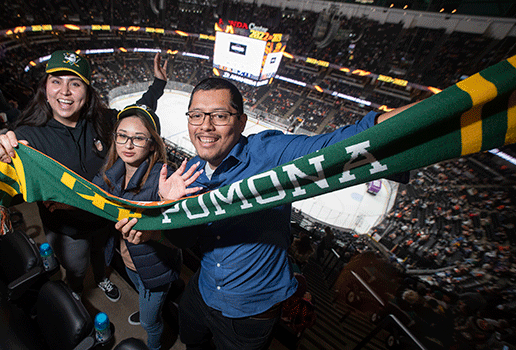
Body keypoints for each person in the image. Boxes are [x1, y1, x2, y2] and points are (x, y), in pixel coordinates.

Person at [115, 77, 416, 349]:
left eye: (219, 116)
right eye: (196, 115)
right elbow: (184, 239)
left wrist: (437, 112)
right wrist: (171, 207)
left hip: (252, 311)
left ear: (242, 121)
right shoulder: (190, 170)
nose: (204, 126)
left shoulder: (270, 153)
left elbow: (341, 144)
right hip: (203, 289)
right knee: (190, 339)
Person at [0, 50, 169, 302]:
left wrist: (158, 84)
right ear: (45, 88)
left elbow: (139, 114)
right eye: (56, 81)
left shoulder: (104, 120)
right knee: (77, 267)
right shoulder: (28, 135)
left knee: (102, 255)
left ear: (87, 91)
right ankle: (76, 291)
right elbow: (13, 182)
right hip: (67, 229)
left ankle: (102, 278)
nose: (65, 92)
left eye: (75, 83)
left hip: (104, 218)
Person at [93, 105, 202, 350]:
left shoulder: (164, 179)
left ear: (153, 144)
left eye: (139, 138)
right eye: (122, 135)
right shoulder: (113, 172)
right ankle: (147, 307)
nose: (128, 145)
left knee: (150, 322)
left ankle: (152, 335)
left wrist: (167, 205)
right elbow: (84, 192)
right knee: (142, 293)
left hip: (156, 269)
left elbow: (184, 238)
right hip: (130, 260)